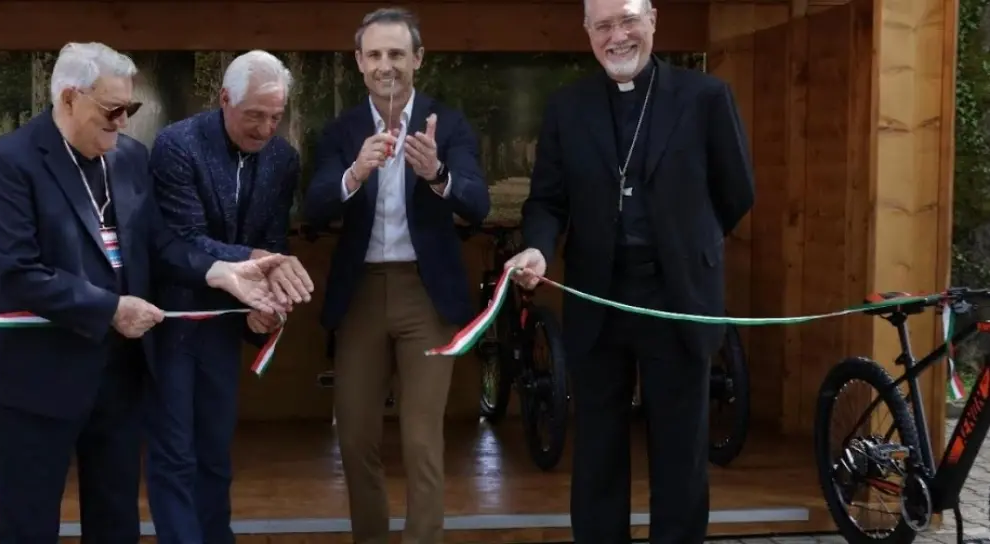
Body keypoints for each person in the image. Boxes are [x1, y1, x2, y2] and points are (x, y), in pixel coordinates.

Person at [0, 41, 300, 544]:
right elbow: (20, 273)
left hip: (118, 376)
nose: (123, 121)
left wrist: (221, 272)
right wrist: (111, 309)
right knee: (29, 524)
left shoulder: (128, 159)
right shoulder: (10, 162)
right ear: (67, 99)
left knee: (116, 522)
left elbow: (161, 243)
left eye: (131, 108)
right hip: (37, 377)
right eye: (112, 109)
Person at [504, 0, 755, 540]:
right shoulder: (568, 106)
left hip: (678, 294)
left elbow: (736, 192)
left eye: (628, 20)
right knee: (596, 451)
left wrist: (690, 244)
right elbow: (547, 200)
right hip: (599, 295)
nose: (617, 36)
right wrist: (539, 249)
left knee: (681, 451)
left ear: (653, 19)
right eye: (603, 25)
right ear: (588, 32)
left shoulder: (705, 97)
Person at [303, 7, 490, 543]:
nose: (387, 66)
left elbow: (476, 202)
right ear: (360, 63)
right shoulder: (341, 131)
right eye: (376, 55)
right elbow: (313, 207)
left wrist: (437, 173)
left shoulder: (446, 124)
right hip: (359, 292)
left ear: (418, 60)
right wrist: (354, 172)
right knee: (357, 437)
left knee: (421, 438)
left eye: (398, 55)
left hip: (425, 293)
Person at [145, 50, 311, 544]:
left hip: (223, 321)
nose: (265, 129)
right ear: (224, 100)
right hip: (173, 316)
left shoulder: (284, 160)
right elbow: (184, 240)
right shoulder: (177, 145)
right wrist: (262, 262)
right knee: (174, 453)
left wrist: (262, 310)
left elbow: (274, 240)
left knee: (215, 450)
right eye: (254, 115)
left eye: (275, 117)